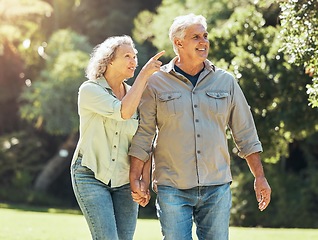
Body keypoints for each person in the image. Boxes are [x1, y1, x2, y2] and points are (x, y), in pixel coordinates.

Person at [129, 14, 271, 240]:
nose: (203, 41)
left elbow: (245, 133)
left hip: (217, 186)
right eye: (196, 37)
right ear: (178, 43)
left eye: (205, 35)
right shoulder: (155, 83)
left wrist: (260, 176)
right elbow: (144, 134)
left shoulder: (226, 81)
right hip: (172, 186)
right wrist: (136, 176)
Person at [70, 35, 164, 240]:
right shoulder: (90, 90)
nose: (134, 61)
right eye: (127, 56)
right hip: (90, 174)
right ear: (109, 60)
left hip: (123, 180)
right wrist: (144, 75)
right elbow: (123, 112)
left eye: (135, 56)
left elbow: (145, 140)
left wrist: (143, 181)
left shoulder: (136, 95)